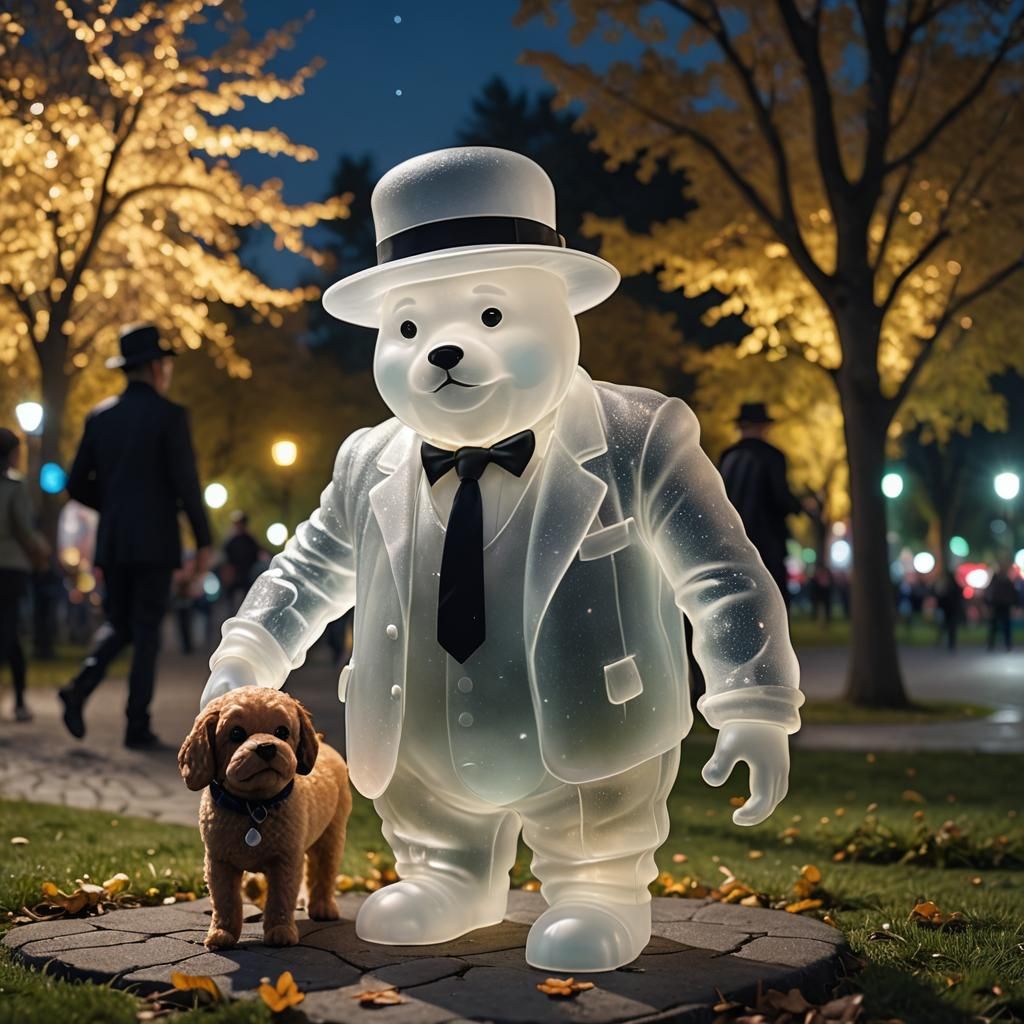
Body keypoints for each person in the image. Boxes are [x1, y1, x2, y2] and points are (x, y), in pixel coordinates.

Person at [59, 323, 212, 748]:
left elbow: (75, 483)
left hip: (113, 541)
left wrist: (111, 506)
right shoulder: (170, 416)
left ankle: (80, 686)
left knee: (120, 624)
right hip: (155, 542)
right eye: (165, 363)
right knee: (145, 632)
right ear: (154, 367)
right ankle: (136, 725)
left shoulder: (99, 416)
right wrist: (203, 541)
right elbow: (186, 485)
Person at [718, 403, 802, 606]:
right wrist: (798, 506)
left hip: (731, 541)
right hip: (766, 541)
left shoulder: (727, 456)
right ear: (763, 427)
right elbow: (780, 498)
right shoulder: (773, 456)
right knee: (772, 600)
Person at [0, 429, 48, 721]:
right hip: (10, 566)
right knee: (10, 630)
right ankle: (18, 699)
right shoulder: (15, 487)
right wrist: (42, 551)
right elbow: (24, 529)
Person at [221, 510, 261, 612]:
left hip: (248, 578)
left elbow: (257, 556)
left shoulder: (250, 540)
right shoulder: (231, 541)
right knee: (232, 607)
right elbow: (225, 559)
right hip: (234, 578)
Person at [986, 563, 1017, 652]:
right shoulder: (1003, 581)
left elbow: (990, 593)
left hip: (1001, 606)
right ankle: (995, 644)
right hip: (1000, 605)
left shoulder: (1002, 581)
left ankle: (1001, 644)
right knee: (999, 626)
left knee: (1000, 626)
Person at [934, 570, 964, 652]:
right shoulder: (954, 587)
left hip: (949, 610)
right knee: (950, 627)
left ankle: (948, 642)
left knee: (948, 626)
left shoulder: (947, 587)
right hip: (950, 610)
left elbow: (940, 598)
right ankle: (950, 643)